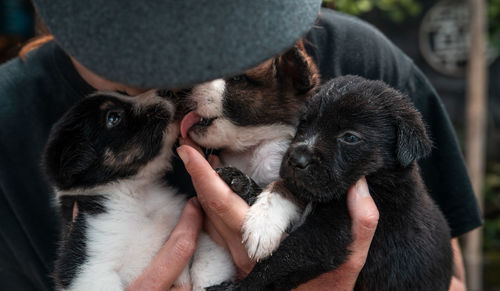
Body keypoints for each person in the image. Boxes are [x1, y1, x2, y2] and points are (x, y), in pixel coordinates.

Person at [0, 1, 480, 290]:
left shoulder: (358, 64)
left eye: (243, 51)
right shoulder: (11, 118)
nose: (208, 76)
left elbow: (445, 277)